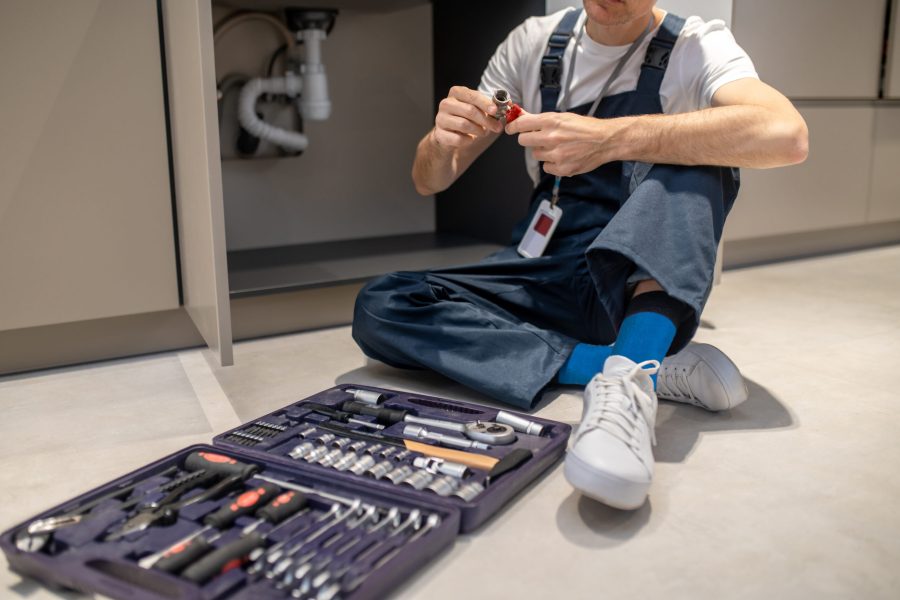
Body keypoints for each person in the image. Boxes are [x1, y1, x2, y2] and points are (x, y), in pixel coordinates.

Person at [352, 0, 808, 509]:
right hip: (542, 266)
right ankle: (631, 363)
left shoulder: (697, 46)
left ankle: (627, 390)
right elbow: (429, 179)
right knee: (384, 302)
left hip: (628, 279)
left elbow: (786, 136)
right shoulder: (535, 43)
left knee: (704, 152)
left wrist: (612, 139)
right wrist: (440, 140)